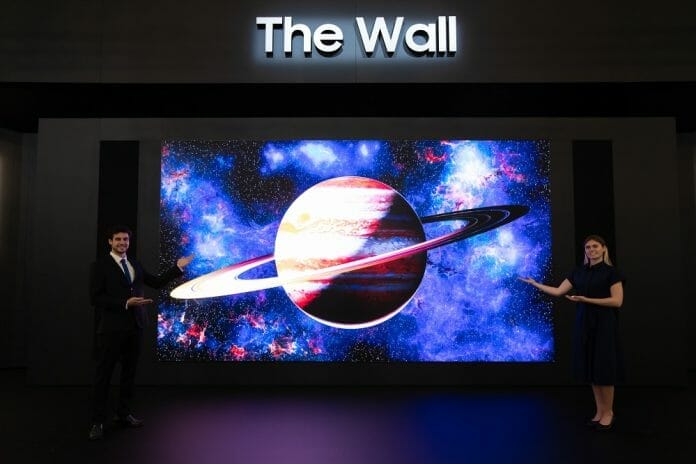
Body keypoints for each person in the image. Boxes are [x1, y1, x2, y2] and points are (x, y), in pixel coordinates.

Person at [88, 224, 193, 440]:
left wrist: (177, 268)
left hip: (135, 327)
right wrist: (126, 303)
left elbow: (156, 282)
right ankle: (98, 421)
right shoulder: (100, 266)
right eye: (118, 239)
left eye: (125, 239)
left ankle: (123, 414)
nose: (122, 243)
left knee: (129, 374)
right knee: (103, 375)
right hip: (111, 329)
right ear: (110, 242)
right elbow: (96, 298)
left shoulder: (134, 263)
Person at [519, 234, 624, 431]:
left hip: (604, 324)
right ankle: (599, 411)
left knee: (604, 368)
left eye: (595, 246)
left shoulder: (612, 273)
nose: (591, 250)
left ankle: (609, 413)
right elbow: (558, 291)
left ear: (603, 249)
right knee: (591, 368)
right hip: (584, 323)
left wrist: (586, 300)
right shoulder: (578, 271)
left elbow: (617, 301)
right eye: (588, 247)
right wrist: (535, 284)